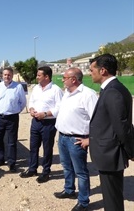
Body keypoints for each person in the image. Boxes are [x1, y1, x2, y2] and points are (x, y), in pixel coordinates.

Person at [89, 54, 132, 211]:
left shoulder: (113, 91)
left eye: (92, 69)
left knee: (112, 201)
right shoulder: (110, 89)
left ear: (103, 70)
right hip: (108, 154)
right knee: (111, 198)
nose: (90, 72)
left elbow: (122, 126)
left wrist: (131, 151)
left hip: (110, 154)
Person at [54, 67, 98, 211]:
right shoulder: (66, 93)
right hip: (62, 137)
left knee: (81, 172)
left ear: (73, 79)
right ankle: (69, 190)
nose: (62, 80)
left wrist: (89, 140)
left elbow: (97, 120)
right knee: (66, 167)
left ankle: (83, 202)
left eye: (65, 78)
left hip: (77, 139)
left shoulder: (88, 95)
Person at [20, 66, 63, 183]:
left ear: (47, 77)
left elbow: (60, 108)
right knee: (33, 147)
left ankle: (46, 172)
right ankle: (32, 168)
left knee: (47, 148)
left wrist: (45, 114)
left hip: (48, 123)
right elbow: (32, 101)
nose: (37, 77)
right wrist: (32, 109)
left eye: (39, 75)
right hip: (36, 122)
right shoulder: (36, 88)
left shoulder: (56, 90)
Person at [0, 67, 27, 172]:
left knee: (11, 142)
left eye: (9, 75)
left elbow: (23, 102)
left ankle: (11, 163)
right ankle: (0, 159)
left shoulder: (18, 87)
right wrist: (1, 109)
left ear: (12, 75)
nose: (7, 76)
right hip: (0, 117)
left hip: (12, 118)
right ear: (2, 75)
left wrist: (15, 111)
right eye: (5, 74)